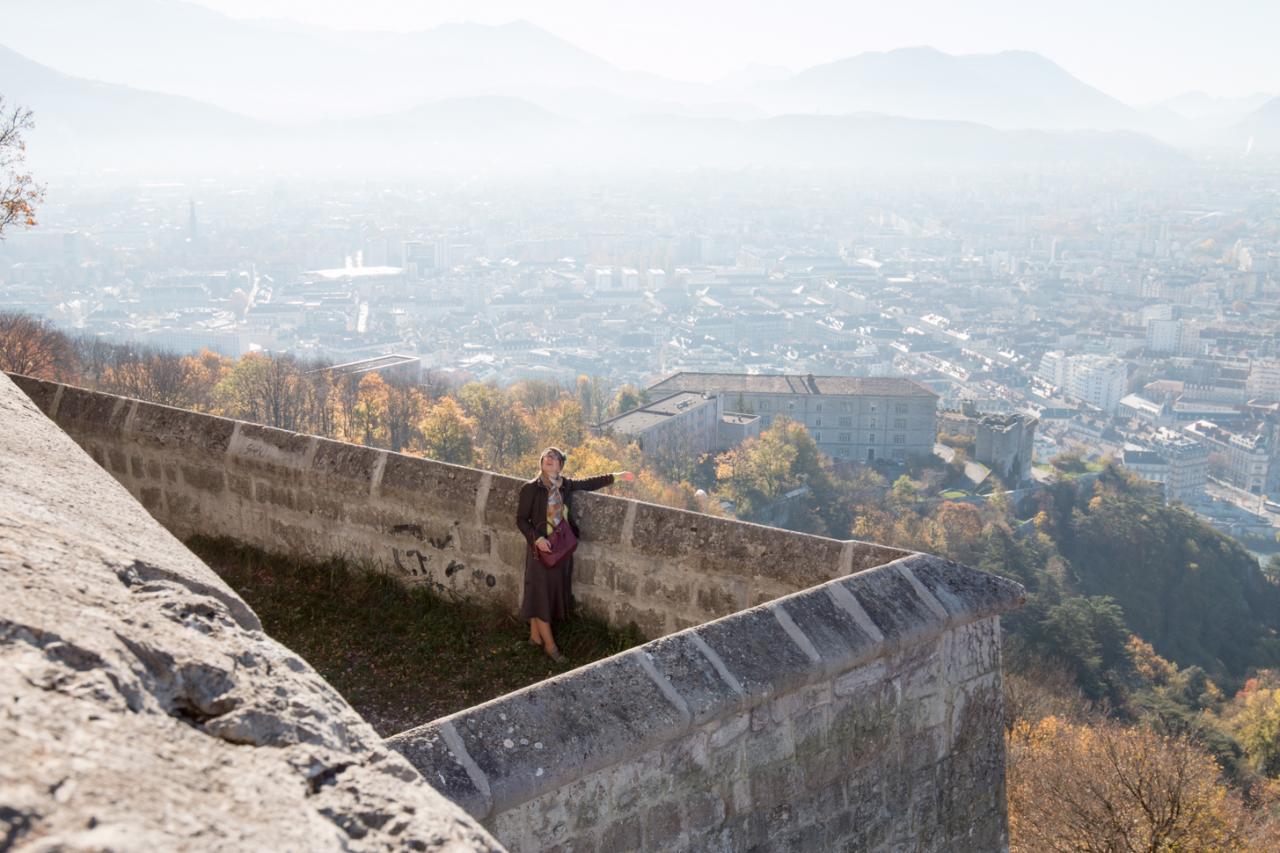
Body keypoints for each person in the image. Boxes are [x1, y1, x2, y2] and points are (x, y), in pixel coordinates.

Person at [516, 446, 633, 662]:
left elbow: (590, 483)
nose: (549, 459)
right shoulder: (531, 488)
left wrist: (617, 476)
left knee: (543, 595)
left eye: (555, 457)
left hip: (559, 550)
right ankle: (551, 648)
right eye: (546, 456)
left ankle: (535, 638)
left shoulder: (565, 485)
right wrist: (537, 539)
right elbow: (521, 519)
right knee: (541, 596)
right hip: (539, 551)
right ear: (541, 462)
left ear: (560, 465)